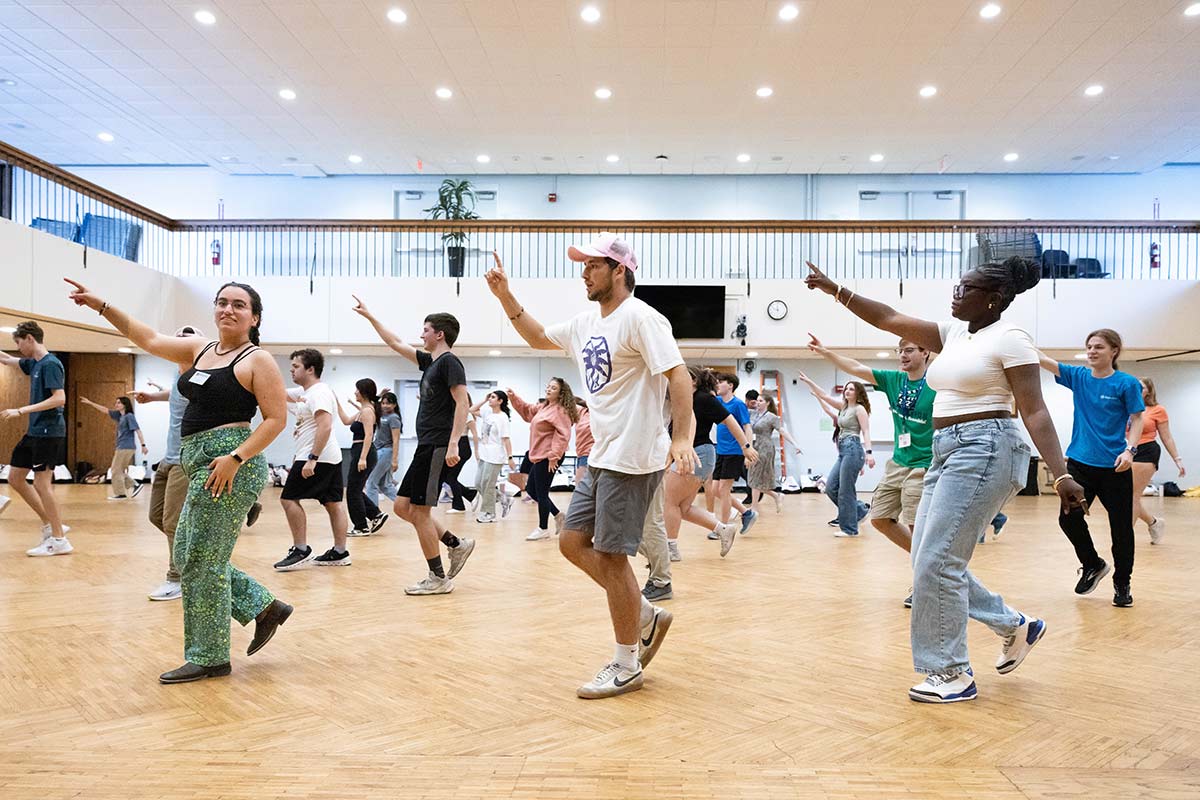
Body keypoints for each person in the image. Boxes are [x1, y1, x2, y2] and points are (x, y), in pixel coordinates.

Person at [805, 257, 1086, 704]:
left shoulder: (1011, 338)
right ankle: (1015, 626)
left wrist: (1061, 471)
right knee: (927, 558)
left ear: (992, 300)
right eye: (957, 286)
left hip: (986, 445)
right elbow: (887, 317)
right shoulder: (954, 333)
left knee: (936, 561)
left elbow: (1034, 409)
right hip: (945, 448)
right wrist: (835, 289)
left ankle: (950, 672)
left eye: (966, 289)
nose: (955, 294)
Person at [486, 234, 695, 699]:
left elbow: (678, 376)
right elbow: (539, 338)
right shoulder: (586, 322)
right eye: (582, 265)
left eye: (592, 265)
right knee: (571, 541)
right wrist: (505, 296)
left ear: (619, 270)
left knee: (613, 556)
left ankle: (626, 663)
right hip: (602, 455)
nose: (583, 272)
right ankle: (643, 613)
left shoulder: (643, 318)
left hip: (634, 457)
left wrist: (681, 436)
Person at [67, 278, 294, 684]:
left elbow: (276, 419)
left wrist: (236, 459)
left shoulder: (257, 359)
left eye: (239, 305)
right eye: (222, 302)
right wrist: (102, 305)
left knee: (199, 560)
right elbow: (149, 338)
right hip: (199, 461)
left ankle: (210, 657)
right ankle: (264, 607)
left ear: (254, 317)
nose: (227, 309)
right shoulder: (200, 349)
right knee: (190, 552)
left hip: (230, 465)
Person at [352, 296, 475, 595]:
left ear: (439, 334)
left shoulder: (450, 363)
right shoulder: (430, 363)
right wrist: (371, 316)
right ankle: (456, 544)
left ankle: (438, 578)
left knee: (419, 512)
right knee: (402, 506)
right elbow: (395, 342)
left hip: (437, 445)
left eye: (425, 330)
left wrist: (454, 444)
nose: (421, 336)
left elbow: (463, 403)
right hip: (426, 446)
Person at [806, 333, 932, 602]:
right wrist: (826, 352)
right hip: (899, 461)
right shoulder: (893, 380)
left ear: (926, 353)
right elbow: (856, 367)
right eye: (899, 350)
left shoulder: (937, 384)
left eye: (909, 349)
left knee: (914, 523)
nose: (902, 355)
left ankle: (924, 582)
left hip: (924, 463)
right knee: (879, 518)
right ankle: (931, 563)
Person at [1037, 329, 1144, 607]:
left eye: (1098, 347)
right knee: (1068, 519)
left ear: (1114, 351)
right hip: (1080, 465)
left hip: (1115, 468)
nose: (1092, 351)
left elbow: (1137, 419)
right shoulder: (1079, 377)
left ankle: (1122, 583)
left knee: (1121, 529)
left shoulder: (1126, 383)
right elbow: (1042, 359)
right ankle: (1092, 563)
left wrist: (1130, 450)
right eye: (1089, 347)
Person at [132, 324, 204, 601]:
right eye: (177, 339)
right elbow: (177, 396)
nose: (180, 342)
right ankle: (193, 557)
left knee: (173, 521)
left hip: (186, 459)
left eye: (187, 339)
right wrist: (153, 397)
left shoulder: (202, 377)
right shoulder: (178, 375)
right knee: (156, 516)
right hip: (168, 457)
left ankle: (177, 578)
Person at [663, 366, 755, 562]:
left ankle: (670, 548)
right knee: (683, 507)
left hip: (698, 454)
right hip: (698, 455)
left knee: (669, 501)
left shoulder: (703, 399)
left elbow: (730, 421)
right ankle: (723, 529)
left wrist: (746, 446)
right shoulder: (686, 401)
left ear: (694, 381)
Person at [273, 349, 352, 570]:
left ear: (311, 369)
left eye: (296, 366)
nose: (291, 370)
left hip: (318, 456)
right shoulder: (306, 392)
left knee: (288, 499)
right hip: (328, 456)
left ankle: (301, 549)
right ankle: (340, 551)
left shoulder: (319, 392)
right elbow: (280, 392)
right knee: (332, 503)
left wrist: (312, 459)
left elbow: (325, 425)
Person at [0, 321, 72, 555]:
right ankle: (51, 525)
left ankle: (59, 540)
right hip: (34, 432)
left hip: (48, 432)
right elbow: (7, 360)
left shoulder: (51, 364)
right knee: (15, 477)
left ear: (30, 338)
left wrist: (21, 410)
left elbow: (59, 399)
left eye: (19, 343)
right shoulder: (35, 364)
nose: (18, 348)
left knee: (42, 483)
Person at [798, 374, 875, 537]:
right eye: (846, 388)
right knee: (831, 487)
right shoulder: (843, 407)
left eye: (851, 389)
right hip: (843, 451)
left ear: (858, 393)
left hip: (853, 448)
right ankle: (860, 510)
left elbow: (866, 431)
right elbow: (825, 396)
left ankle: (850, 529)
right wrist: (809, 381)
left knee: (846, 490)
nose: (847, 391)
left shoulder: (859, 409)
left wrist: (869, 453)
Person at [508, 379, 578, 541]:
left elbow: (563, 435)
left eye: (553, 388)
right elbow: (527, 411)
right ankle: (558, 515)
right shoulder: (544, 407)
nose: (549, 389)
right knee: (531, 490)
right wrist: (514, 397)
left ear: (561, 393)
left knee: (541, 492)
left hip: (549, 456)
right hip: (539, 456)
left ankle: (543, 528)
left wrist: (554, 456)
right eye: (548, 386)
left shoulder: (560, 411)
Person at [1130, 377, 1184, 544]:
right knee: (1125, 496)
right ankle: (1154, 523)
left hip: (1146, 452)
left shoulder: (1157, 410)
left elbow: (1166, 437)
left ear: (1149, 391)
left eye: (1142, 387)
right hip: (1126, 452)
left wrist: (1177, 459)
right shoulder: (1127, 407)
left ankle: (1125, 537)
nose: (1138, 390)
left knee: (1131, 496)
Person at [337, 378, 388, 537]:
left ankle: (361, 526)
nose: (355, 392)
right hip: (358, 450)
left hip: (363, 451)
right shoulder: (364, 409)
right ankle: (375, 514)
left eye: (357, 389)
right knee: (355, 489)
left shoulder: (367, 411)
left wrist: (362, 458)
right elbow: (346, 421)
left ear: (363, 392)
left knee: (353, 491)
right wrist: (336, 403)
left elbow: (369, 435)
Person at [712, 373, 759, 534]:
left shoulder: (738, 404)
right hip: (720, 450)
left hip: (734, 451)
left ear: (730, 385)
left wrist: (748, 449)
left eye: (721, 382)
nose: (718, 385)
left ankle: (723, 528)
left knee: (724, 490)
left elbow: (747, 427)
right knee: (715, 490)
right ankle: (747, 513)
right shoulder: (717, 401)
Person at [79, 395, 148, 500]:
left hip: (126, 447)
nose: (116, 404)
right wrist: (90, 403)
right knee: (118, 470)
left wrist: (143, 445)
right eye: (116, 402)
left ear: (125, 405)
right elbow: (105, 410)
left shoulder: (129, 416)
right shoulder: (119, 416)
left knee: (115, 470)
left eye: (119, 403)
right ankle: (134, 485)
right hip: (122, 446)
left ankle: (121, 493)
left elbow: (138, 430)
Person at [746, 394, 801, 514]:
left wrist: (795, 444)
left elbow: (782, 430)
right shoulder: (752, 414)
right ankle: (776, 496)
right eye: (757, 400)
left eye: (761, 401)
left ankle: (754, 507)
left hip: (765, 449)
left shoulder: (772, 417)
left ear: (768, 403)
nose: (758, 402)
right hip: (754, 447)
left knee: (755, 477)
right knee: (754, 478)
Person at [469, 390, 516, 523]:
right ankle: (503, 498)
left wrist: (510, 458)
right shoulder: (488, 413)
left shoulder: (502, 418)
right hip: (485, 455)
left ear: (500, 401)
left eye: (493, 397)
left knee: (487, 484)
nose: (490, 399)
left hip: (496, 456)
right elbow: (471, 410)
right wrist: (484, 400)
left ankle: (489, 513)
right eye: (490, 397)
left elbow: (506, 439)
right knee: (479, 484)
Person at [364, 391, 402, 510]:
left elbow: (396, 440)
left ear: (395, 405)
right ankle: (406, 506)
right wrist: (379, 395)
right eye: (383, 403)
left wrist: (395, 460)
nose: (385, 406)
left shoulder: (394, 418)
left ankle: (374, 514)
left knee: (371, 483)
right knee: (385, 485)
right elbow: (369, 405)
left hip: (386, 452)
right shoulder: (381, 415)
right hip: (379, 450)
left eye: (388, 403)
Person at [574, 398, 594, 485]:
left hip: (590, 453)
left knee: (580, 488)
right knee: (580, 487)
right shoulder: (582, 411)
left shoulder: (601, 414)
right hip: (581, 453)